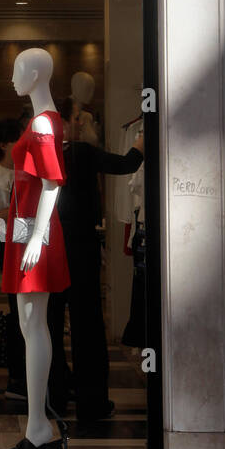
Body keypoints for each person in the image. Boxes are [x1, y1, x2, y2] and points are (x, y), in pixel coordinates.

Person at [51, 98, 144, 423]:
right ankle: (91, 401)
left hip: (50, 245)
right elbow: (126, 164)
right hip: (80, 245)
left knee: (49, 323)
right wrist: (141, 143)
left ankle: (56, 395)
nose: (82, 122)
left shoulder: (43, 153)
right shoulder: (82, 153)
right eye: (76, 118)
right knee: (87, 322)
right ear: (62, 120)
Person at [0, 118, 27, 400]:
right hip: (10, 247)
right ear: (4, 145)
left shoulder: (16, 173)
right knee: (17, 308)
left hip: (18, 245)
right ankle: (17, 377)